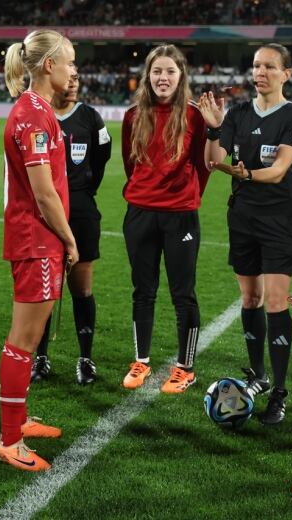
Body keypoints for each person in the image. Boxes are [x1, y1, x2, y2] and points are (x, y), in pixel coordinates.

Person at [199, 43, 292, 424]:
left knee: (277, 302)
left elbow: (278, 171)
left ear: (286, 74)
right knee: (250, 298)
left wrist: (244, 174)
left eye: (269, 67)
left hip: (279, 219)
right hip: (242, 217)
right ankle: (258, 373)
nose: (260, 72)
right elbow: (214, 160)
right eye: (256, 66)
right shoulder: (239, 113)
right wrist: (214, 128)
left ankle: (279, 390)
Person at [0, 29, 79, 472]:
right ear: (49, 66)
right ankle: (9, 440)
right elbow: (44, 194)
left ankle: (19, 419)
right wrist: (68, 238)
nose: (73, 71)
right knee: (23, 341)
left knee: (26, 340)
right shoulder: (32, 116)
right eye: (69, 62)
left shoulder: (39, 111)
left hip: (38, 238)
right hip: (37, 239)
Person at [120, 44, 210, 394]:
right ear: (148, 76)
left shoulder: (194, 116)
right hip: (140, 212)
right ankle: (141, 361)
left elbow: (204, 164)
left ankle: (185, 368)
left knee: (182, 294)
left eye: (170, 71)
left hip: (180, 216)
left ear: (180, 76)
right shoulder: (132, 115)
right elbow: (131, 163)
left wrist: (187, 195)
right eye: (157, 71)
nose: (163, 77)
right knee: (143, 291)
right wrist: (144, 191)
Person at [30, 71, 112, 385]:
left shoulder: (91, 118)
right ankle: (40, 358)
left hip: (81, 210)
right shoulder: (40, 117)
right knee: (46, 290)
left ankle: (85, 359)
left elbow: (101, 159)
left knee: (82, 289)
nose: (75, 83)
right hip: (45, 212)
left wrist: (83, 192)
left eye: (79, 79)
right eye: (70, 77)